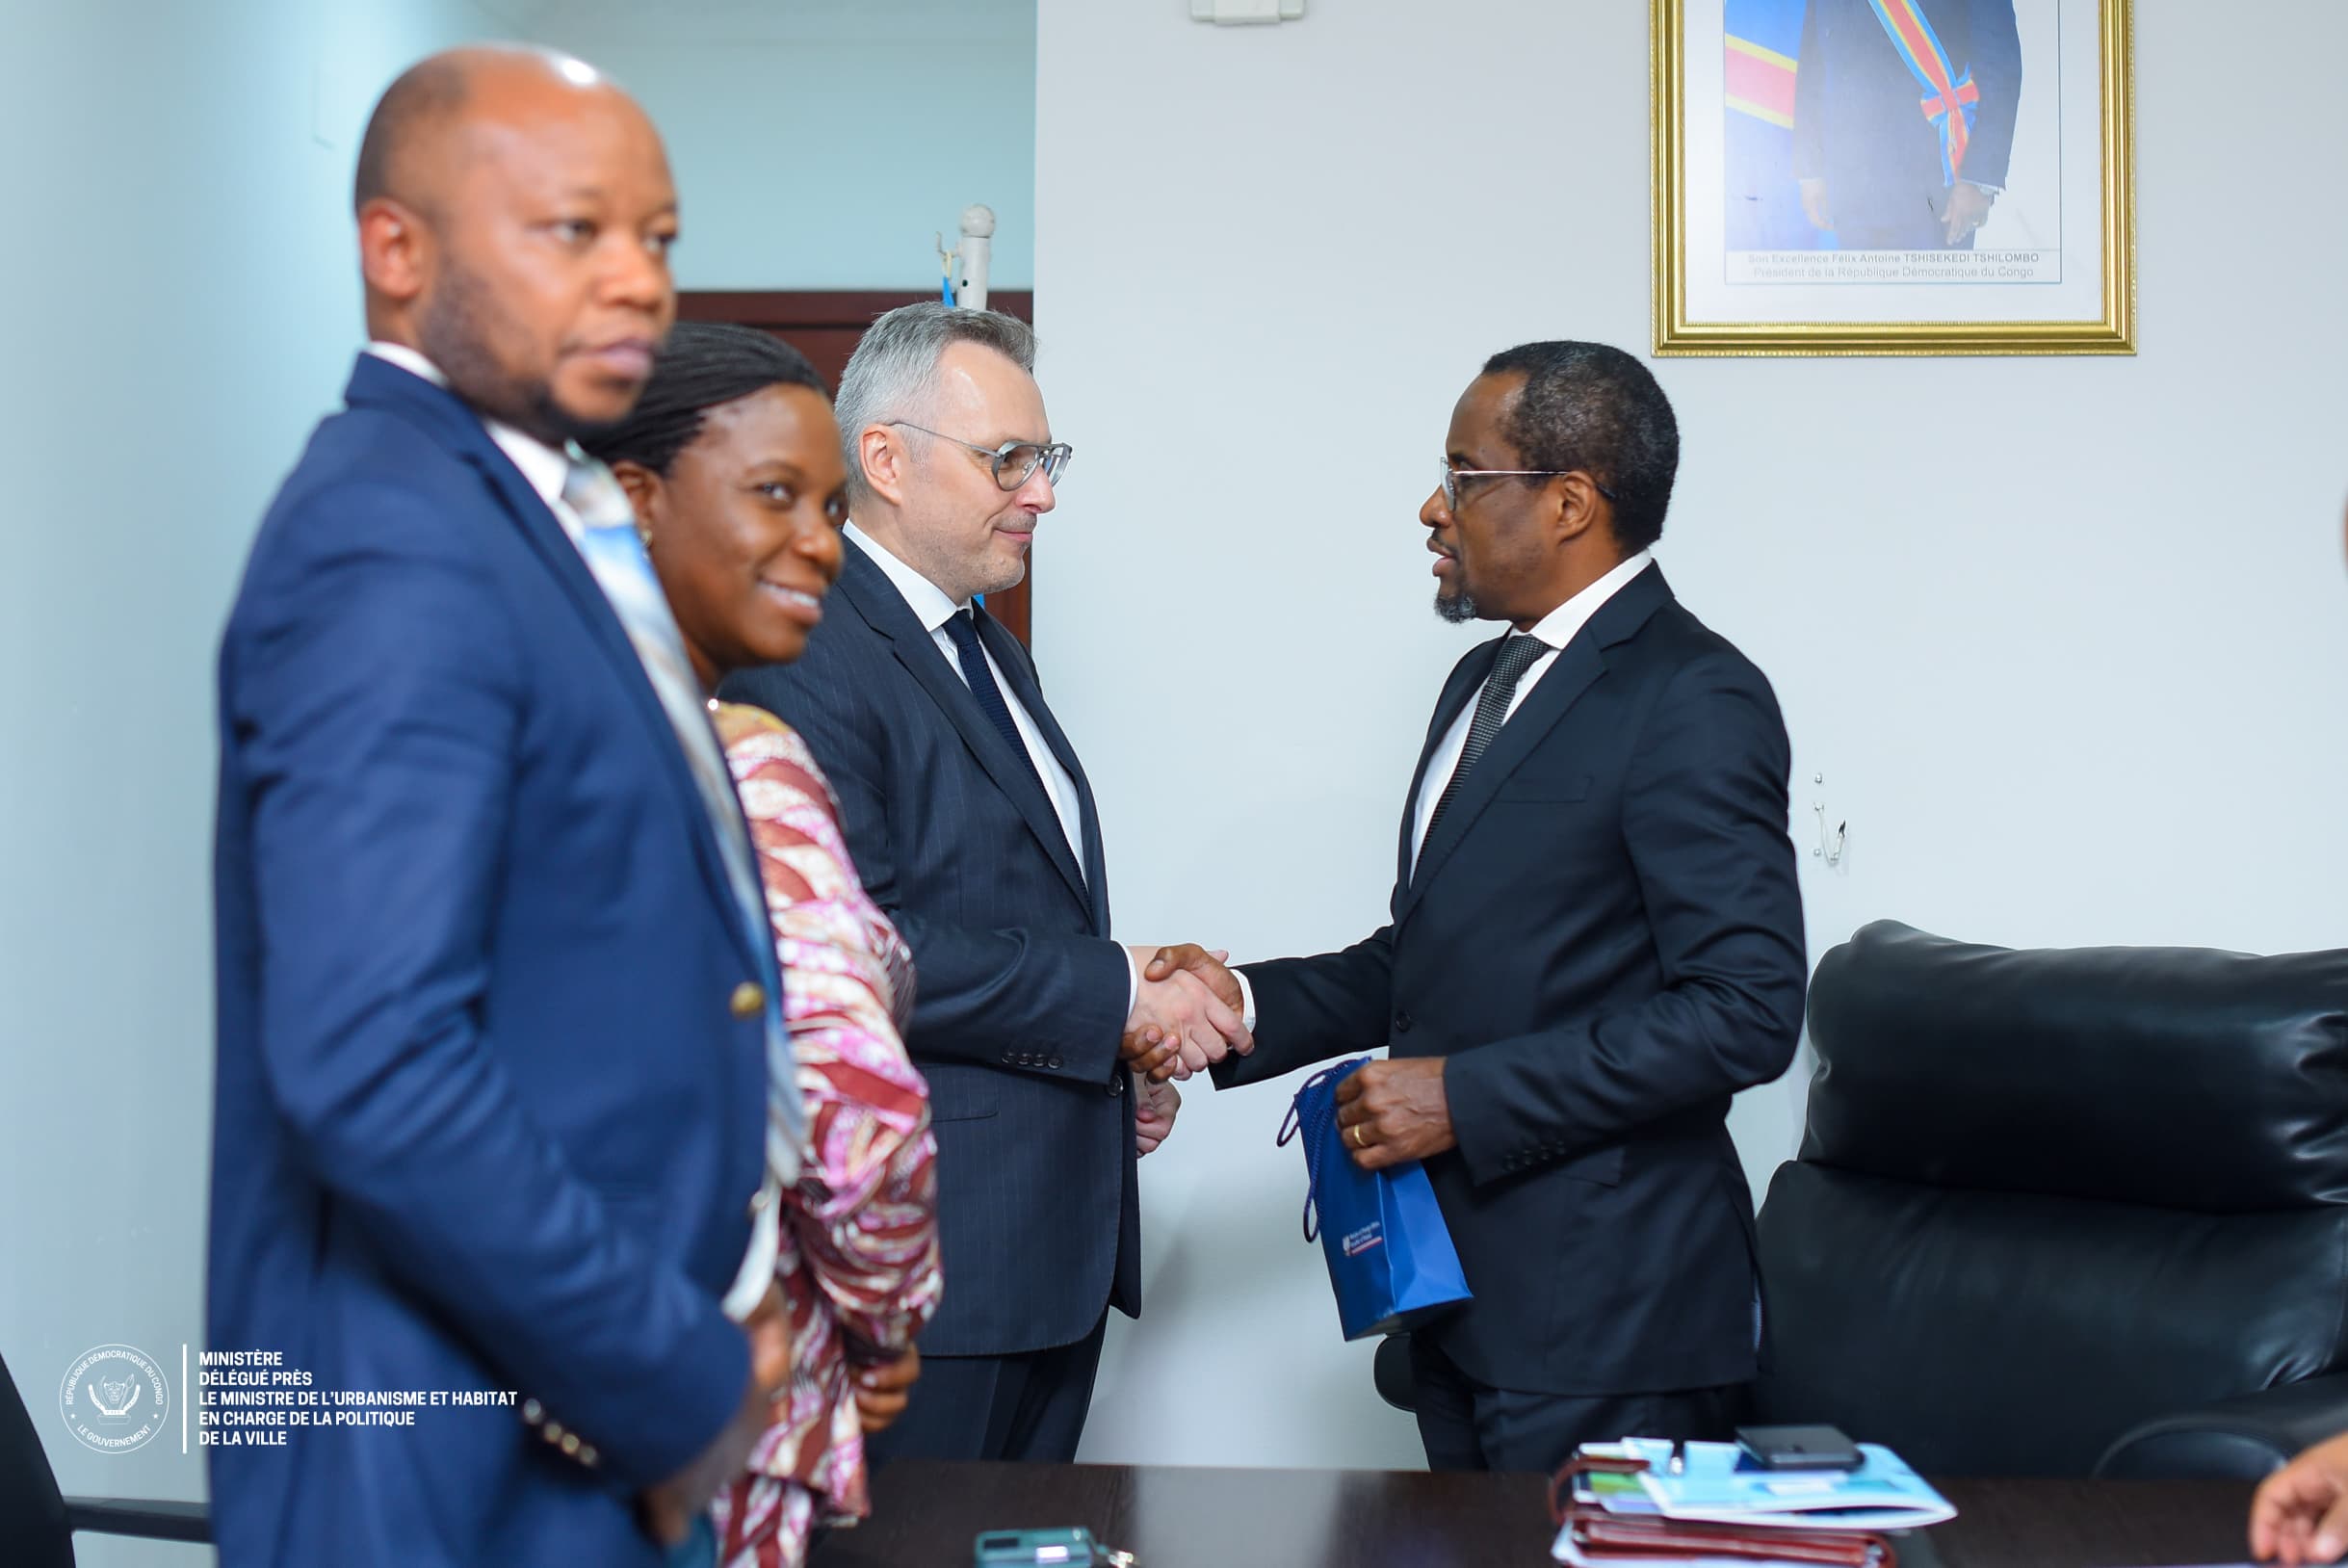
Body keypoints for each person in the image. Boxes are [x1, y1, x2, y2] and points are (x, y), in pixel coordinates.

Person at [211, 47, 789, 1568]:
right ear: (396, 251)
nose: (637, 279)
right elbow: (373, 1061)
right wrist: (677, 1378)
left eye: (656, 237)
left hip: (567, 1430)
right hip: (443, 1457)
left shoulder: (523, 510)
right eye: (573, 231)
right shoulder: (390, 535)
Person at [1145, 342, 1808, 1476]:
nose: (1431, 507)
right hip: (1456, 1302)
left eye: (1462, 474)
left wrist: (1464, 1095)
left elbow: (1743, 1010)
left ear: (1567, 501)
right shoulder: (1481, 680)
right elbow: (1431, 955)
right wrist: (1238, 1001)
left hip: (1611, 1321)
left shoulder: (1692, 693)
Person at [719, 302, 1230, 1465]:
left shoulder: (988, 646)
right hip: (926, 1266)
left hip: (1046, 1256)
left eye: (1046, 460)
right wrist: (1116, 995)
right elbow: (856, 951)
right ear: (884, 459)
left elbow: (1005, 909)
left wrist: (1112, 1051)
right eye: (1008, 459)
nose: (1040, 493)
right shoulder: (804, 646)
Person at [581, 322, 942, 1567]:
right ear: (634, 498)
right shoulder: (743, 763)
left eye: (829, 507)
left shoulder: (540, 734)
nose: (820, 543)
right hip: (727, 1382)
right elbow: (852, 1102)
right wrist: (882, 1321)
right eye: (774, 494)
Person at [1791, 0, 2022, 249]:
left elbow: (1999, 62)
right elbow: (1814, 58)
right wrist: (1810, 168)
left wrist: (1978, 180)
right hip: (1848, 182)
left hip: (1934, 191)